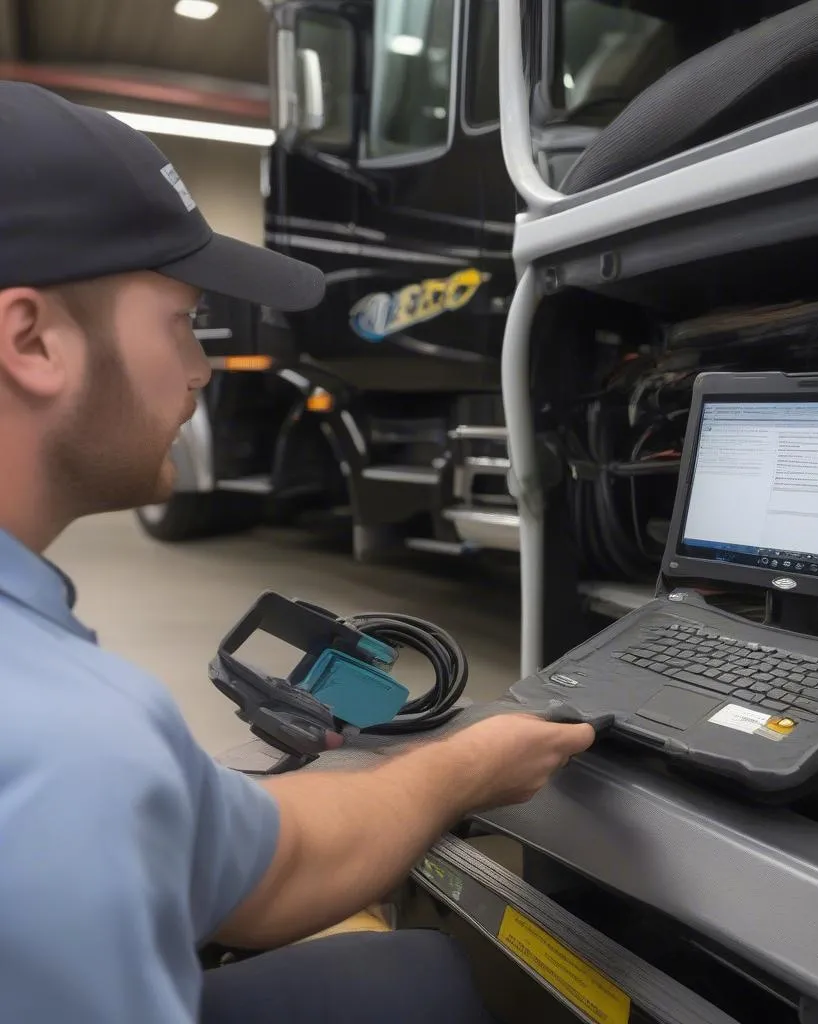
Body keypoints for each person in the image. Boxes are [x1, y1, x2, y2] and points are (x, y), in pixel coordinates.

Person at [0, 82, 595, 1023]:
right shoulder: (71, 752)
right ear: (32, 340)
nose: (201, 368)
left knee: (404, 978)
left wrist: (464, 767)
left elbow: (270, 865)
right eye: (181, 320)